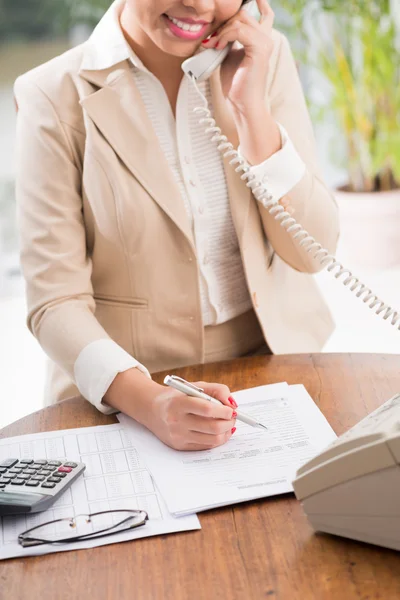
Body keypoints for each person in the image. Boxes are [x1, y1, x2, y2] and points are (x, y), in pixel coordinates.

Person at [14, 0, 339, 451]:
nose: (201, 5)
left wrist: (252, 115)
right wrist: (149, 401)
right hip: (127, 392)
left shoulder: (265, 57)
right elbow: (55, 301)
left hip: (277, 370)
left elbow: (313, 252)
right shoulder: (51, 95)